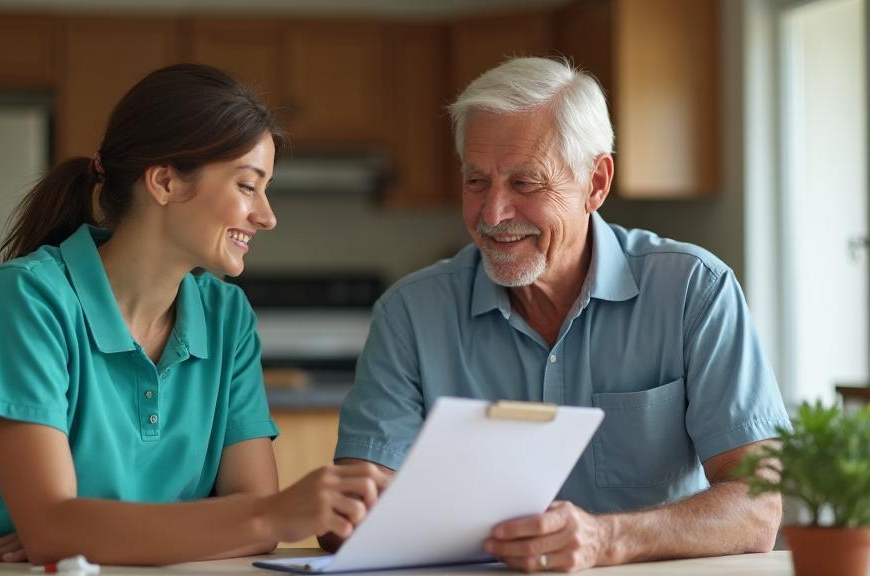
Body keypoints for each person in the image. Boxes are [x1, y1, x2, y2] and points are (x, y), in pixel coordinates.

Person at [0, 64, 387, 576]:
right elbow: (56, 529)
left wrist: (90, 531)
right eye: (248, 186)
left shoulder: (227, 319)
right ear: (166, 182)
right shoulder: (27, 299)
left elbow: (250, 523)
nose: (266, 215)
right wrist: (70, 529)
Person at [326, 57, 790, 572]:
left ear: (595, 182)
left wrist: (607, 539)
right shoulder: (410, 314)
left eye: (524, 184)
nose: (492, 213)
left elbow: (759, 505)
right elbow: (346, 515)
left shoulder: (694, 291)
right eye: (476, 181)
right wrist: (347, 518)